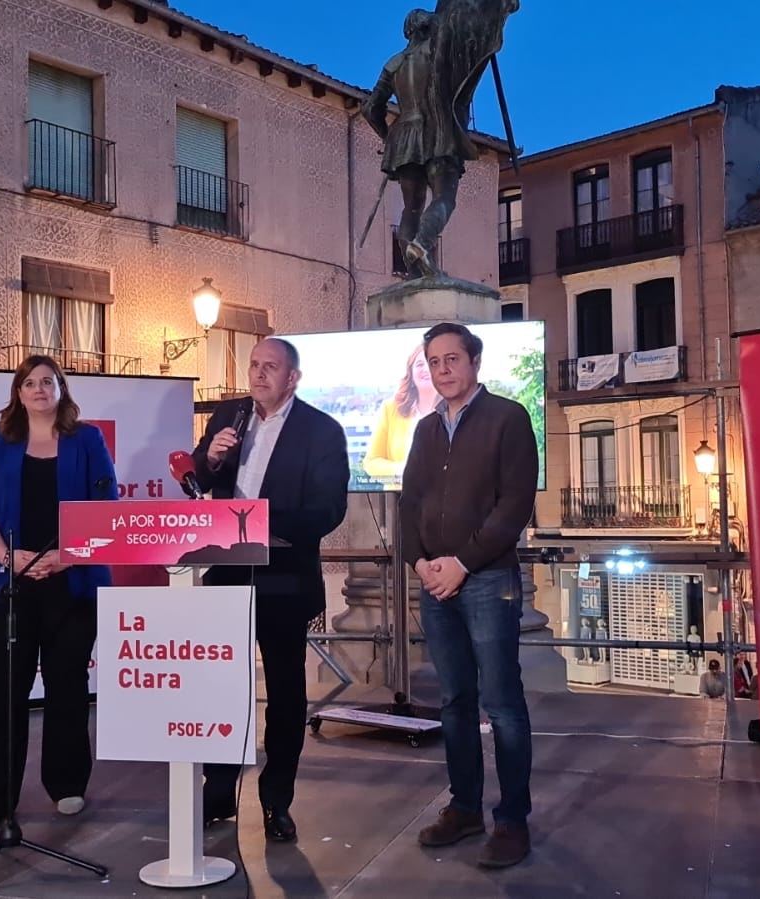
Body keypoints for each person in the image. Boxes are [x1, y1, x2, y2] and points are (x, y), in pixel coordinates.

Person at [192, 337, 348, 842]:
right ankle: (217, 794)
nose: (259, 375)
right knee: (219, 689)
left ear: (293, 377)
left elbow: (328, 509)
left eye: (271, 367)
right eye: (254, 365)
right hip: (227, 571)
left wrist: (257, 523)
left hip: (284, 576)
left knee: (284, 694)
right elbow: (195, 482)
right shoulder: (229, 416)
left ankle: (276, 801)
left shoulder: (322, 430)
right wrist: (209, 462)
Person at [0, 354, 119, 834]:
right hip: (8, 587)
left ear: (61, 389)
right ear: (18, 392)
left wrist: (67, 556)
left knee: (67, 687)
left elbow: (106, 508)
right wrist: (11, 559)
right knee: (3, 693)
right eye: (29, 382)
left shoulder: (87, 440)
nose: (39, 389)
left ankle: (67, 784)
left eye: (48, 381)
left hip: (71, 583)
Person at [399, 321, 538, 868]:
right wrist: (420, 562)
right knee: (454, 702)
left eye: (452, 359)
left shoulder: (508, 418)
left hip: (487, 581)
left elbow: (514, 507)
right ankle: (464, 809)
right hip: (435, 583)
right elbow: (408, 504)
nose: (442, 370)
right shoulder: (426, 430)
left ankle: (512, 821)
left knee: (502, 705)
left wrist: (462, 563)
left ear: (474, 362)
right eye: (434, 362)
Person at [362, 2, 519, 279]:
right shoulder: (440, 55)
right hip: (438, 131)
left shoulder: (393, 64)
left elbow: (371, 108)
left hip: (404, 136)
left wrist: (389, 139)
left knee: (412, 207)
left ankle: (416, 272)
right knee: (445, 196)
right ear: (429, 28)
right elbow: (472, 45)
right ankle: (422, 244)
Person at [362, 343, 438, 481]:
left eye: (432, 362)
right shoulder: (391, 409)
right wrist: (402, 470)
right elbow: (371, 462)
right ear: (411, 372)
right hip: (400, 497)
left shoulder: (459, 409)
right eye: (420, 364)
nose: (426, 369)